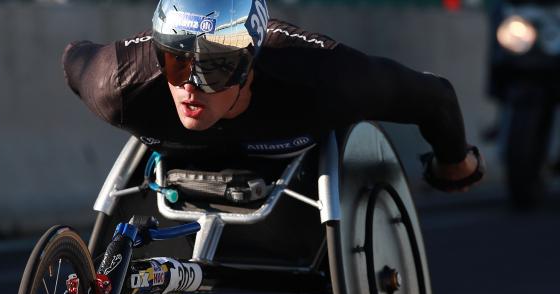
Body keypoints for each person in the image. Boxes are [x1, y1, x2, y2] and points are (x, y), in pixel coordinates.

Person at [62, 0, 485, 192]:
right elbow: (73, 56)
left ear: (250, 66)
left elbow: (434, 96)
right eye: (175, 63)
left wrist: (455, 163)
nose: (190, 85)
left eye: (213, 67)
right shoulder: (117, 83)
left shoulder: (325, 77)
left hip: (293, 161)